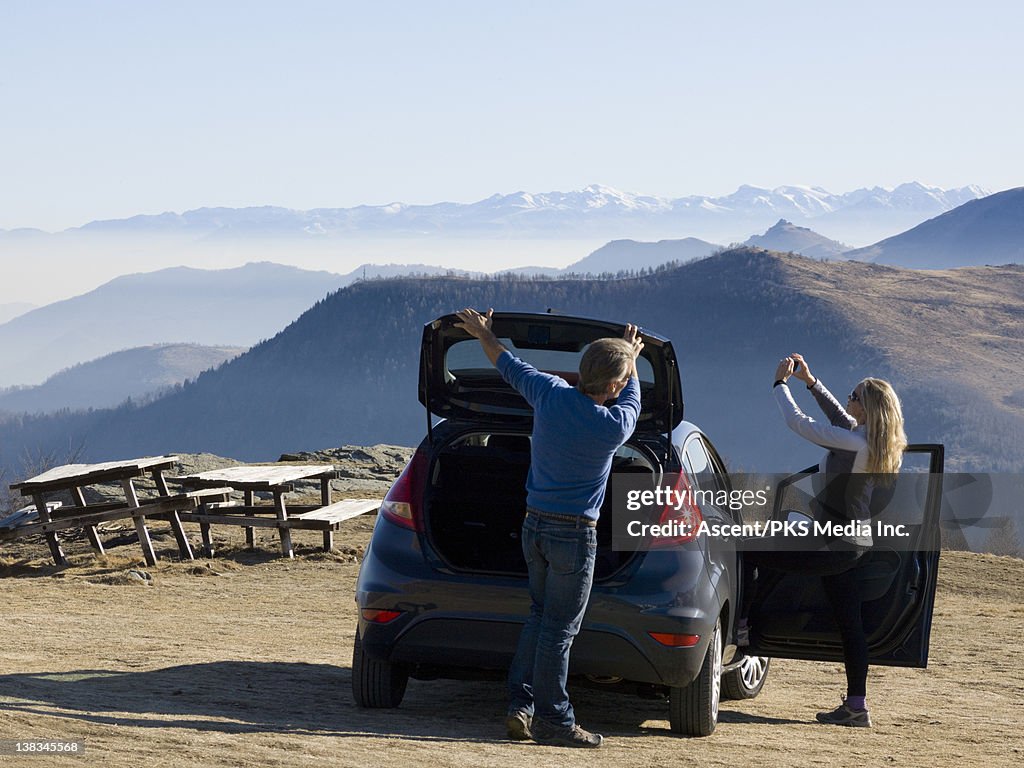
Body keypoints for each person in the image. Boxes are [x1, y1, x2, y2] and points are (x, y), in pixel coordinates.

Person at [454, 308, 642, 749]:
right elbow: (632, 396)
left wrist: (483, 331)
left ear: (582, 371)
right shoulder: (613, 425)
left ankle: (521, 707)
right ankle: (555, 722)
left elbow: (505, 361)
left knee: (539, 617)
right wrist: (633, 357)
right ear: (612, 385)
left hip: (533, 526)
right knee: (560, 629)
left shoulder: (549, 393)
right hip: (575, 537)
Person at [742, 352, 907, 728]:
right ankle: (856, 706)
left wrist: (779, 385)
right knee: (851, 623)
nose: (849, 398)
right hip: (854, 544)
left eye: (854, 394)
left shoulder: (856, 444)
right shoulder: (872, 442)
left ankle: (743, 627)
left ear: (867, 407)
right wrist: (812, 382)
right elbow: (839, 419)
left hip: (833, 543)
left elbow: (800, 424)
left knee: (746, 549)